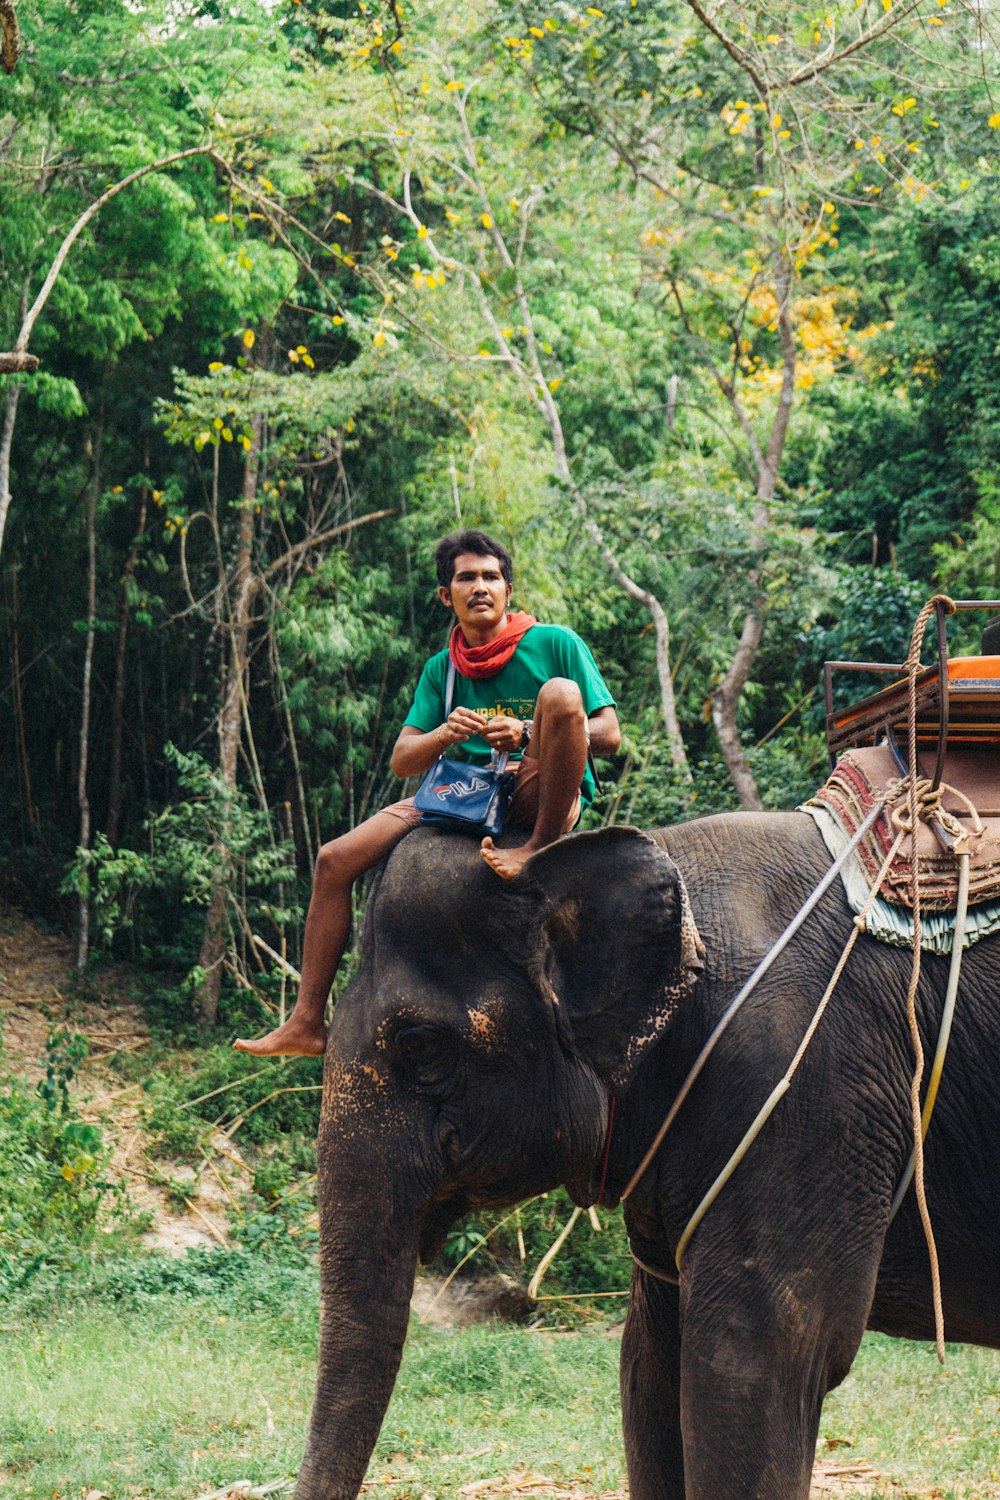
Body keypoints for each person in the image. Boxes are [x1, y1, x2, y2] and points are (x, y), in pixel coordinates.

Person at [234, 528, 620, 1057]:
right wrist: (444, 734)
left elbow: (609, 734)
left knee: (560, 694)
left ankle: (537, 847)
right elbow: (401, 760)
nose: (479, 586)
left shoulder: (555, 643)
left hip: (533, 786)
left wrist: (527, 732)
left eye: (491, 577)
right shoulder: (443, 669)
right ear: (447, 595)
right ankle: (305, 1021)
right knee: (333, 860)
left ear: (509, 589)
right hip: (460, 793)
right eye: (466, 578)